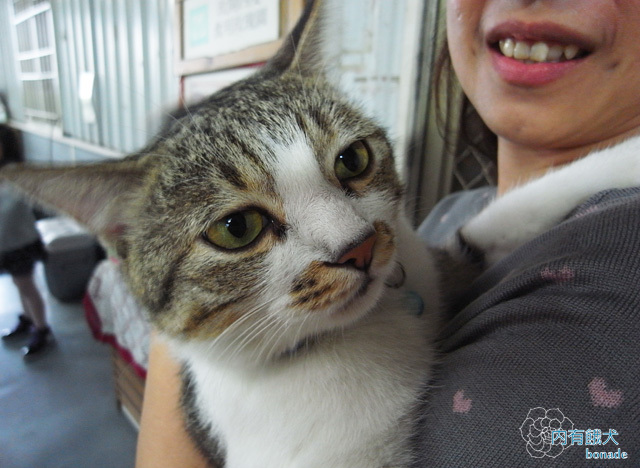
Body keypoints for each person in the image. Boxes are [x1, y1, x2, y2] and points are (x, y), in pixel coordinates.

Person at [136, 1, 640, 466]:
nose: (353, 238)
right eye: (238, 227)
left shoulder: (613, 269)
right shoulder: (453, 210)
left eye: (350, 162)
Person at [0, 124, 52, 357]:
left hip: (20, 242)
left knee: (26, 284)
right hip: (4, 242)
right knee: (17, 283)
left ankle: (41, 328)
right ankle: (27, 318)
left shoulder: (18, 174)